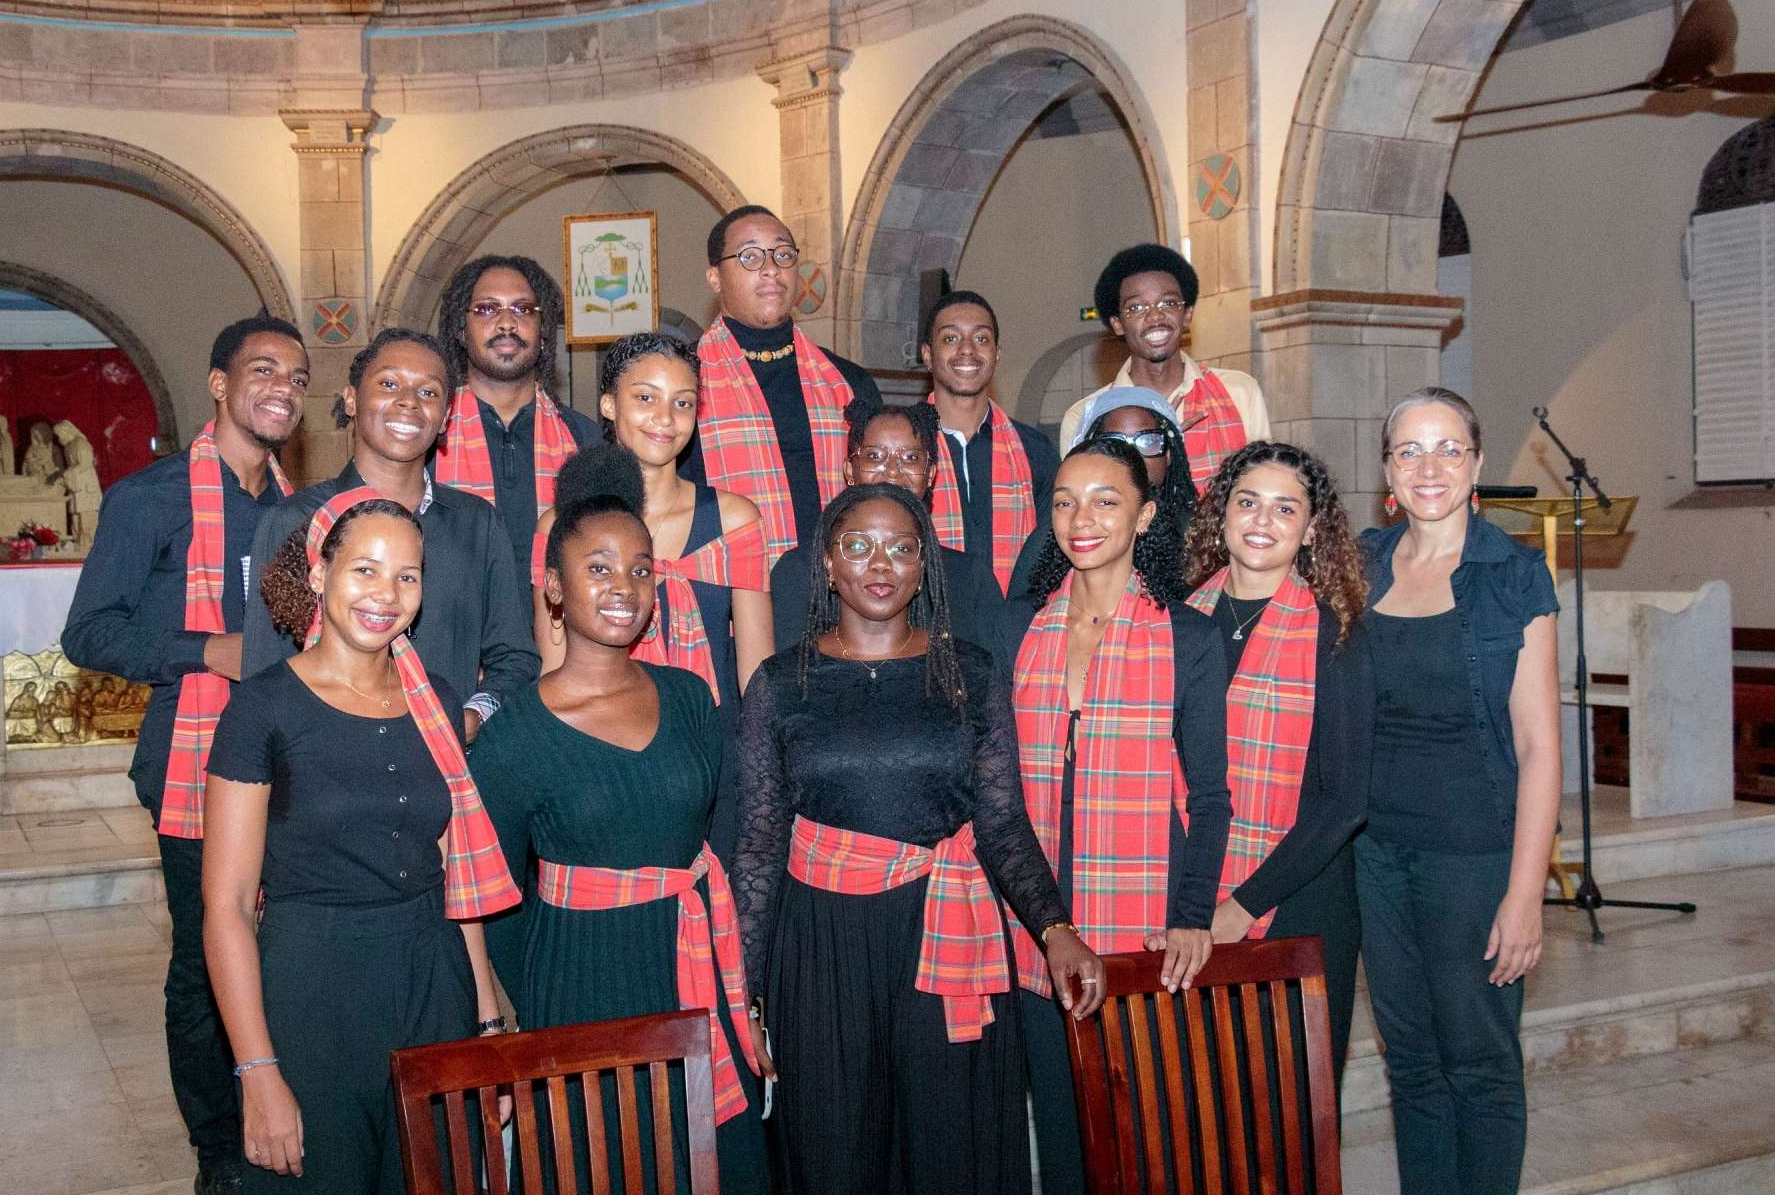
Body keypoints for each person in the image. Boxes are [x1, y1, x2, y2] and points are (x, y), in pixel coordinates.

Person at [732, 482, 1103, 1195]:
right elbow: (757, 845)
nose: (881, 563)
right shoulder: (780, 684)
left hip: (946, 939)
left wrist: (1055, 926)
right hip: (820, 949)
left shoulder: (969, 671)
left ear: (924, 567)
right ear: (829, 566)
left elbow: (1000, 821)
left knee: (950, 1152)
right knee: (834, 1155)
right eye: (859, 545)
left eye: (903, 548)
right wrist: (745, 992)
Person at [470, 446, 770, 1193]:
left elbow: (724, 835)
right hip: (579, 984)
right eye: (598, 568)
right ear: (552, 589)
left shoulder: (690, 697)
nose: (623, 587)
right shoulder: (515, 734)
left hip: (695, 969)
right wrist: (532, 998)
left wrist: (744, 987)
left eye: (640, 569)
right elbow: (490, 894)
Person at [204, 493, 519, 1193]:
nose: (388, 594)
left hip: (432, 983)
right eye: (366, 570)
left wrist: (487, 1019)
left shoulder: (435, 698)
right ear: (319, 575)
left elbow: (453, 868)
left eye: (408, 576)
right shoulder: (261, 708)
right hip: (315, 992)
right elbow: (225, 905)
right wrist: (257, 1072)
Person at [61, 312, 308, 1195]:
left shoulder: (300, 509)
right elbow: (87, 633)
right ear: (219, 383)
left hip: (291, 761)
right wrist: (205, 649)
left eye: (297, 376)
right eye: (263, 370)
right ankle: (218, 1151)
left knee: (284, 950)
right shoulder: (151, 498)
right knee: (208, 958)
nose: (282, 388)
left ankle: (286, 1106)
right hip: (191, 762)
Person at [1007, 434, 1233, 1195]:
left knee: (1151, 1144)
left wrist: (1195, 914)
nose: (1082, 518)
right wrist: (1044, 921)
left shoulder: (1189, 637)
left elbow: (1210, 798)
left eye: (1107, 501)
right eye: (1065, 501)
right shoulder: (1021, 632)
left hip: (1146, 926)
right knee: (1068, 1144)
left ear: (1143, 516)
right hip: (1040, 933)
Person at [1358, 388, 1560, 1195]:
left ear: (1476, 464)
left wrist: (1525, 894)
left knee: (1478, 1064)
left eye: (1448, 448)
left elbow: (1540, 746)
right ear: (1386, 472)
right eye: (1409, 450)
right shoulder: (1363, 560)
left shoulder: (1510, 574)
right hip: (1374, 855)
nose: (1428, 465)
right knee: (1410, 1064)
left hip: (1473, 855)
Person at [1183, 440, 1374, 1080]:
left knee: (1290, 1117)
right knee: (1201, 1107)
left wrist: (1241, 906)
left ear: (1311, 528)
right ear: (1222, 514)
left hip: (1299, 897)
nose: (1262, 522)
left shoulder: (1335, 631)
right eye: (1248, 502)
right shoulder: (1176, 621)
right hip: (1188, 895)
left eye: (1285, 509)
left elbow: (1343, 802)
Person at [243, 327, 538, 741]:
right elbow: (263, 672)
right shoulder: (297, 521)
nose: (408, 402)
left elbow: (516, 657)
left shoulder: (476, 523)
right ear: (351, 400)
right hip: (327, 766)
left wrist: (471, 717)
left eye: (429, 392)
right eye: (388, 384)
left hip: (449, 765)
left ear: (445, 418)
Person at [531, 332, 773, 707]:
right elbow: (554, 666)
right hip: (600, 740)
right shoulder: (562, 525)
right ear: (609, 405)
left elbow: (757, 679)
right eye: (646, 398)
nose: (665, 418)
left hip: (712, 741)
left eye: (683, 403)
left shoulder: (734, 522)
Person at [686, 205, 882, 561]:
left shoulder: (848, 382)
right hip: (729, 590)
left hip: (838, 594)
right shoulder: (684, 380)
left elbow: (880, 500)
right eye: (750, 256)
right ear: (714, 278)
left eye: (783, 254)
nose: (771, 269)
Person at [768, 400, 1008, 664]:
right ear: (850, 470)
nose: (893, 471)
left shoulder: (969, 578)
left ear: (931, 475)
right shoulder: (798, 572)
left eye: (911, 458)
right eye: (875, 456)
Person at [433, 254, 602, 625]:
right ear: (461, 331)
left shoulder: (586, 440)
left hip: (561, 650)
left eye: (523, 309)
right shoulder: (429, 436)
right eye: (486, 309)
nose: (507, 322)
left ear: (543, 332)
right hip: (454, 648)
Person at [1058, 243, 1270, 491]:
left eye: (1168, 303)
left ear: (1187, 314)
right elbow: (1085, 507)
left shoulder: (1239, 392)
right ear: (1117, 323)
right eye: (1136, 307)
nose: (1155, 317)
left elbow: (1265, 486)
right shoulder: (1085, 416)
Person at [919, 290, 1058, 594]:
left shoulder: (1035, 450)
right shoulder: (903, 447)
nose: (967, 350)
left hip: (1011, 629)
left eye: (981, 339)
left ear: (996, 353)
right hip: (923, 631)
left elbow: (1051, 554)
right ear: (928, 355)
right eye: (951, 339)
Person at [1007, 386, 1197, 607]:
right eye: (1114, 443)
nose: (1132, 455)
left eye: (1148, 442)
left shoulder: (1197, 534)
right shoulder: (1062, 532)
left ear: (1169, 454)